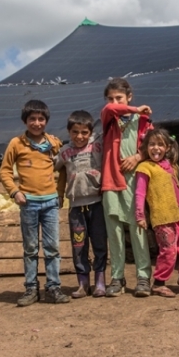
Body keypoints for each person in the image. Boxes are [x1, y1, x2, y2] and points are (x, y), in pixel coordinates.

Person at [0, 99, 68, 307]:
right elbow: (5, 170)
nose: (37, 123)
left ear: (46, 121)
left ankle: (53, 288)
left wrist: (60, 192)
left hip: (50, 203)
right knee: (30, 248)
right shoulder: (16, 144)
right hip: (28, 203)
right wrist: (14, 192)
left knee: (52, 247)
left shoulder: (53, 143)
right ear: (25, 121)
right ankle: (31, 289)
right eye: (32, 119)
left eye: (41, 119)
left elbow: (64, 164)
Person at [101, 78, 154, 297]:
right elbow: (110, 108)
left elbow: (154, 145)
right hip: (111, 180)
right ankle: (117, 277)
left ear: (129, 96)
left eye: (119, 97)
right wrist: (134, 108)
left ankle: (143, 277)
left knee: (138, 228)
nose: (114, 102)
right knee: (114, 231)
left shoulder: (144, 121)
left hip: (134, 181)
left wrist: (138, 156)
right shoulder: (109, 118)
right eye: (111, 98)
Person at [135, 128, 179, 298]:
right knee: (168, 251)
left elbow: (176, 189)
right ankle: (159, 283)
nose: (156, 148)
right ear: (146, 147)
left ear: (168, 147)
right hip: (162, 218)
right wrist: (140, 216)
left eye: (160, 145)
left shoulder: (170, 167)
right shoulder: (145, 168)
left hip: (177, 216)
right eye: (152, 144)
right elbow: (140, 194)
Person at [54, 110, 109, 298]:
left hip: (97, 204)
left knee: (100, 243)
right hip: (76, 207)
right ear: (69, 132)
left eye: (84, 132)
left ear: (90, 132)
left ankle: (100, 282)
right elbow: (53, 166)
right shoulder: (65, 152)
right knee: (79, 246)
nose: (79, 136)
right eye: (75, 132)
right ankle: (83, 284)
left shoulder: (98, 146)